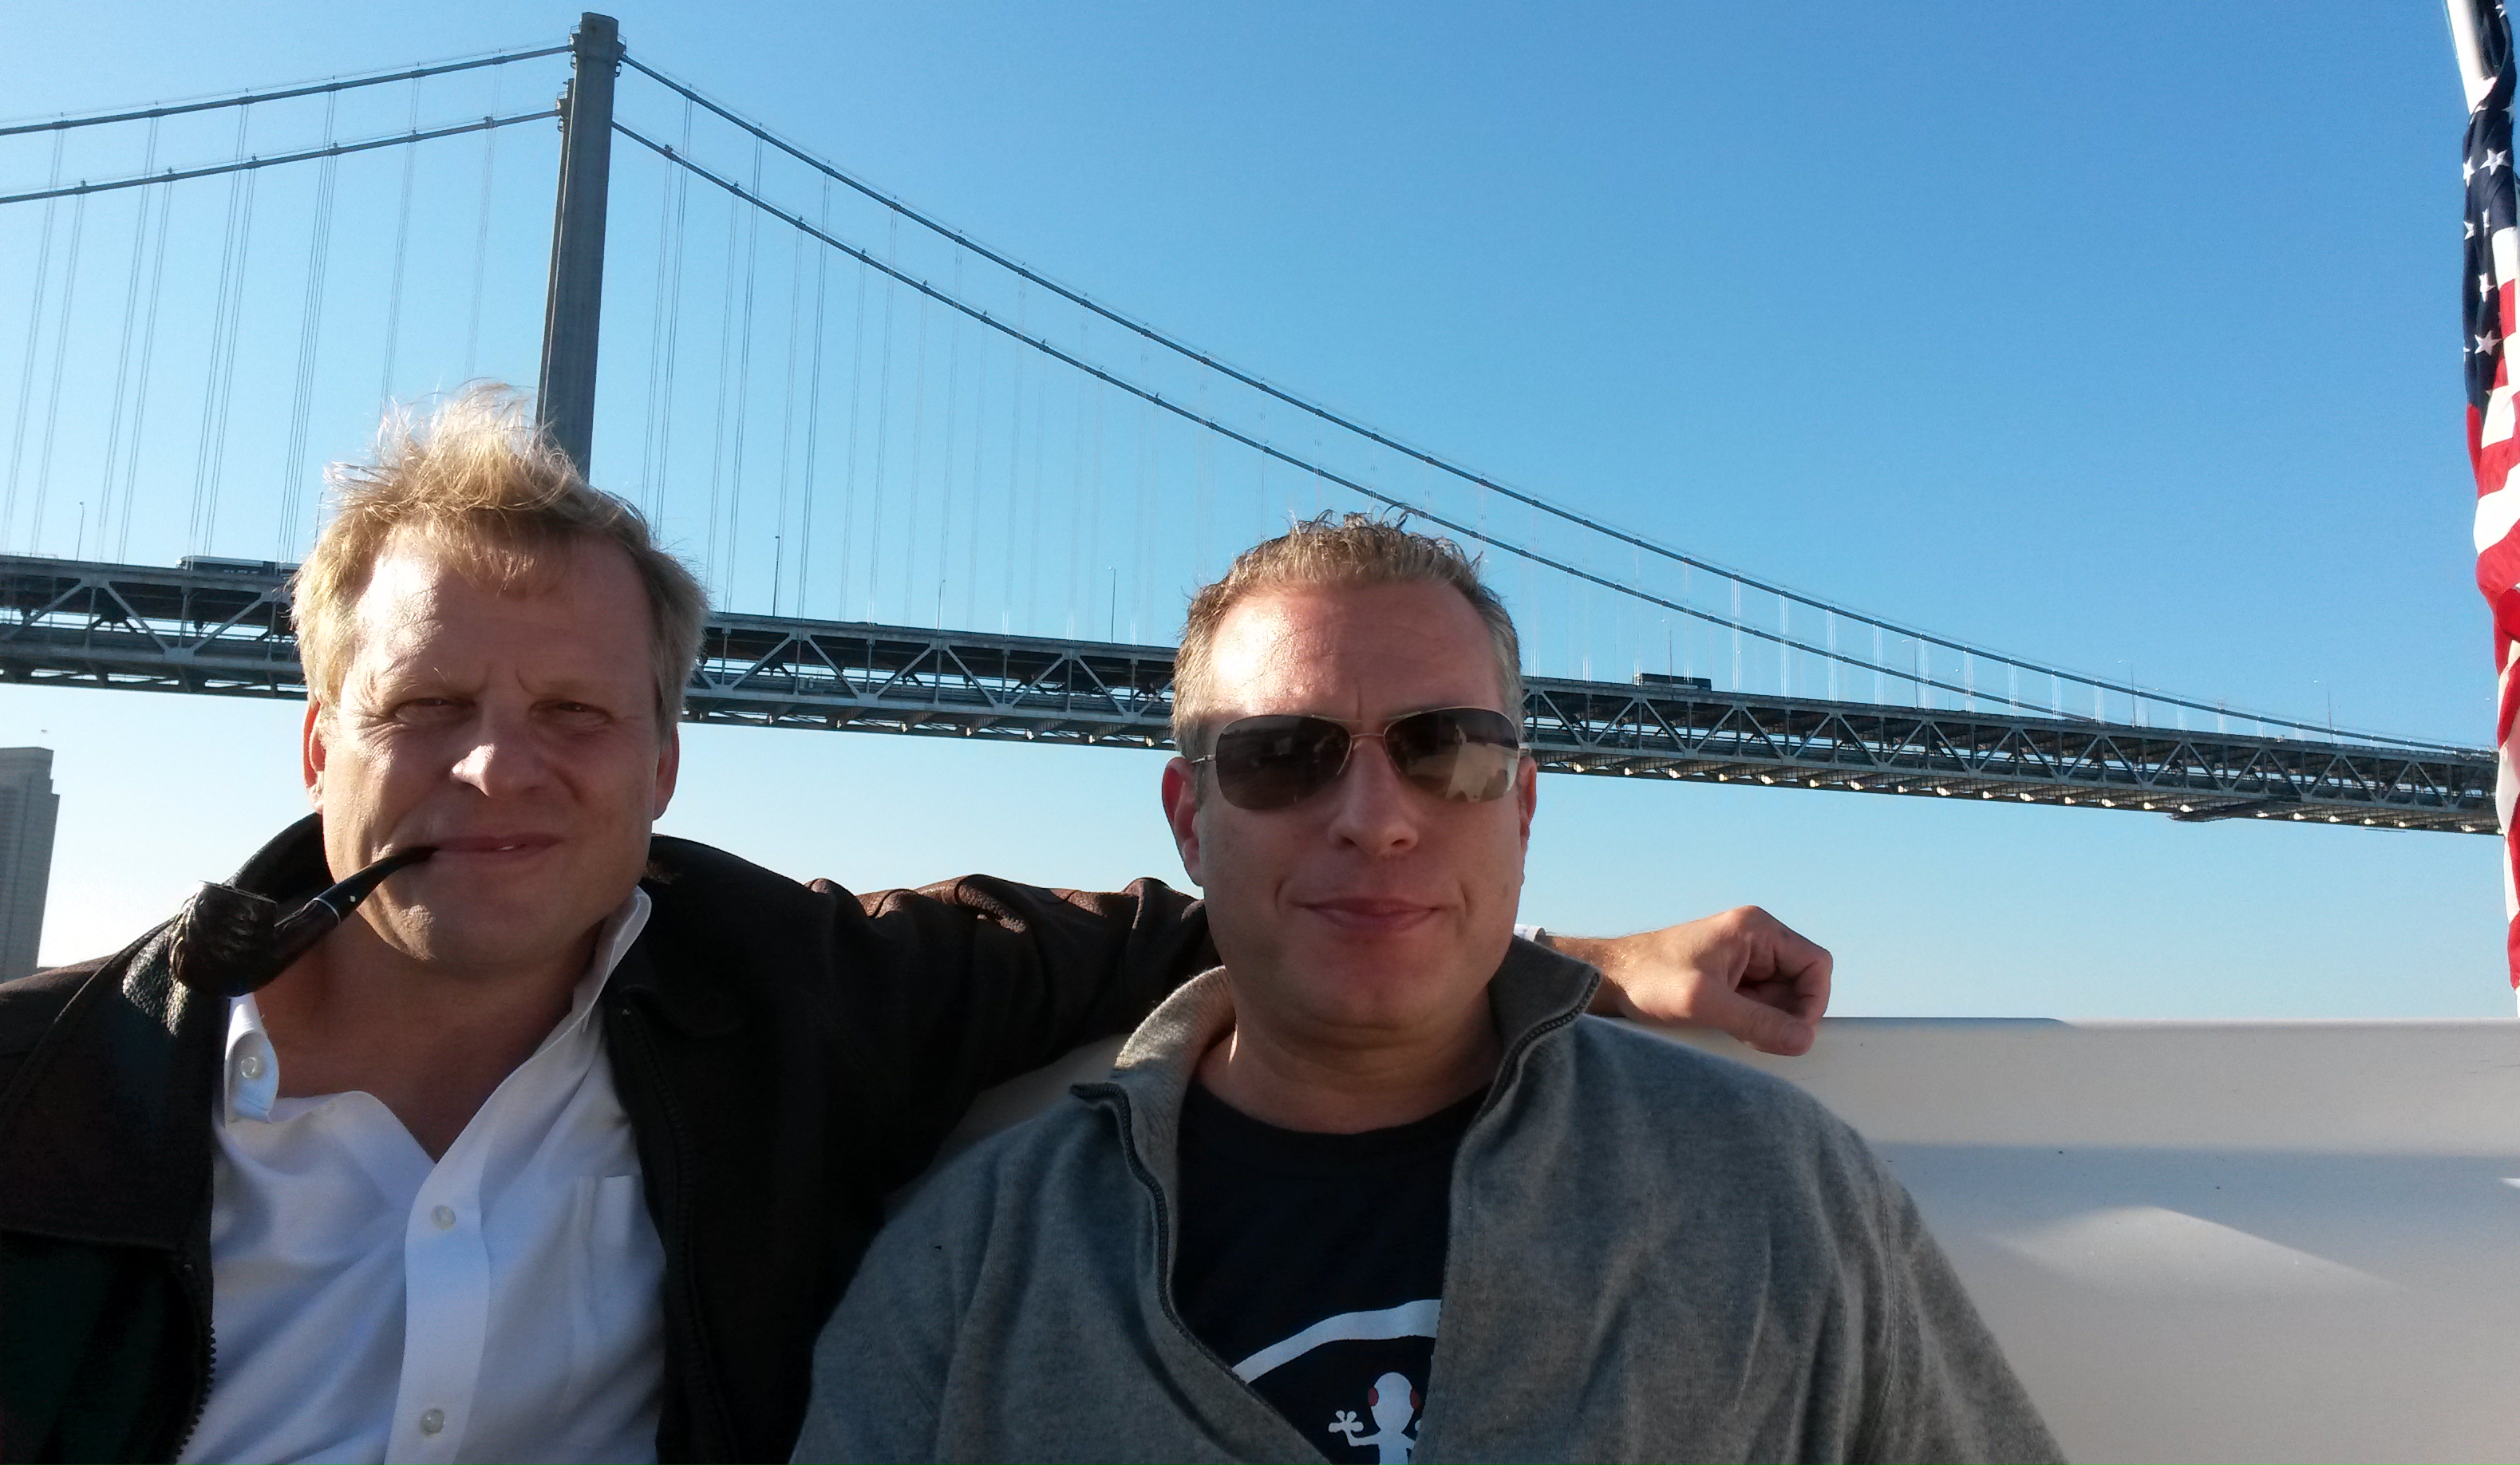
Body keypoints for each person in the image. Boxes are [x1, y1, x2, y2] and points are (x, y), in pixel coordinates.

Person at [0, 392, 1831, 1465]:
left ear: (663, 766)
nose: (498, 769)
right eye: (424, 708)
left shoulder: (802, 1004)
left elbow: (1249, 906)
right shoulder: (40, 1093)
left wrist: (1596, 963)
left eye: (574, 714)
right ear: (319, 743)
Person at [796, 515, 2060, 1464]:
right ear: (1189, 820)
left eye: (1447, 751)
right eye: (1283, 756)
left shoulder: (1779, 1190)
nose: (1375, 818)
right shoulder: (971, 1270)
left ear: (1523, 808)